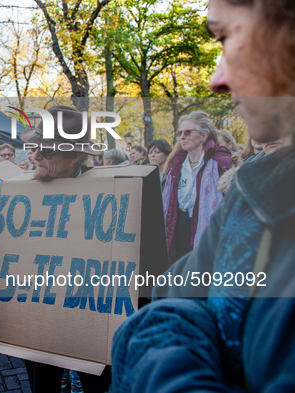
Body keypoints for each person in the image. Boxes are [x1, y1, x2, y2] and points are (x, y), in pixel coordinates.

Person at [112, 0, 295, 392]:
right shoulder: (257, 188)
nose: (217, 79)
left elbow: (164, 313)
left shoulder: (231, 170)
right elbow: (174, 288)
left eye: (226, 36)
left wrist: (166, 338)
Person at [21, 105, 111, 393]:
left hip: (91, 321)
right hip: (39, 318)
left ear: (74, 156)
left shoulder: (111, 197)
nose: (34, 156)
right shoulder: (20, 195)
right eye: (34, 148)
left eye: (44, 151)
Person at [161, 110, 235, 264]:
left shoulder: (222, 163)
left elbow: (232, 205)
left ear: (203, 136)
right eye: (180, 132)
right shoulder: (176, 164)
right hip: (178, 227)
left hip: (209, 230)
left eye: (188, 132)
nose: (182, 136)